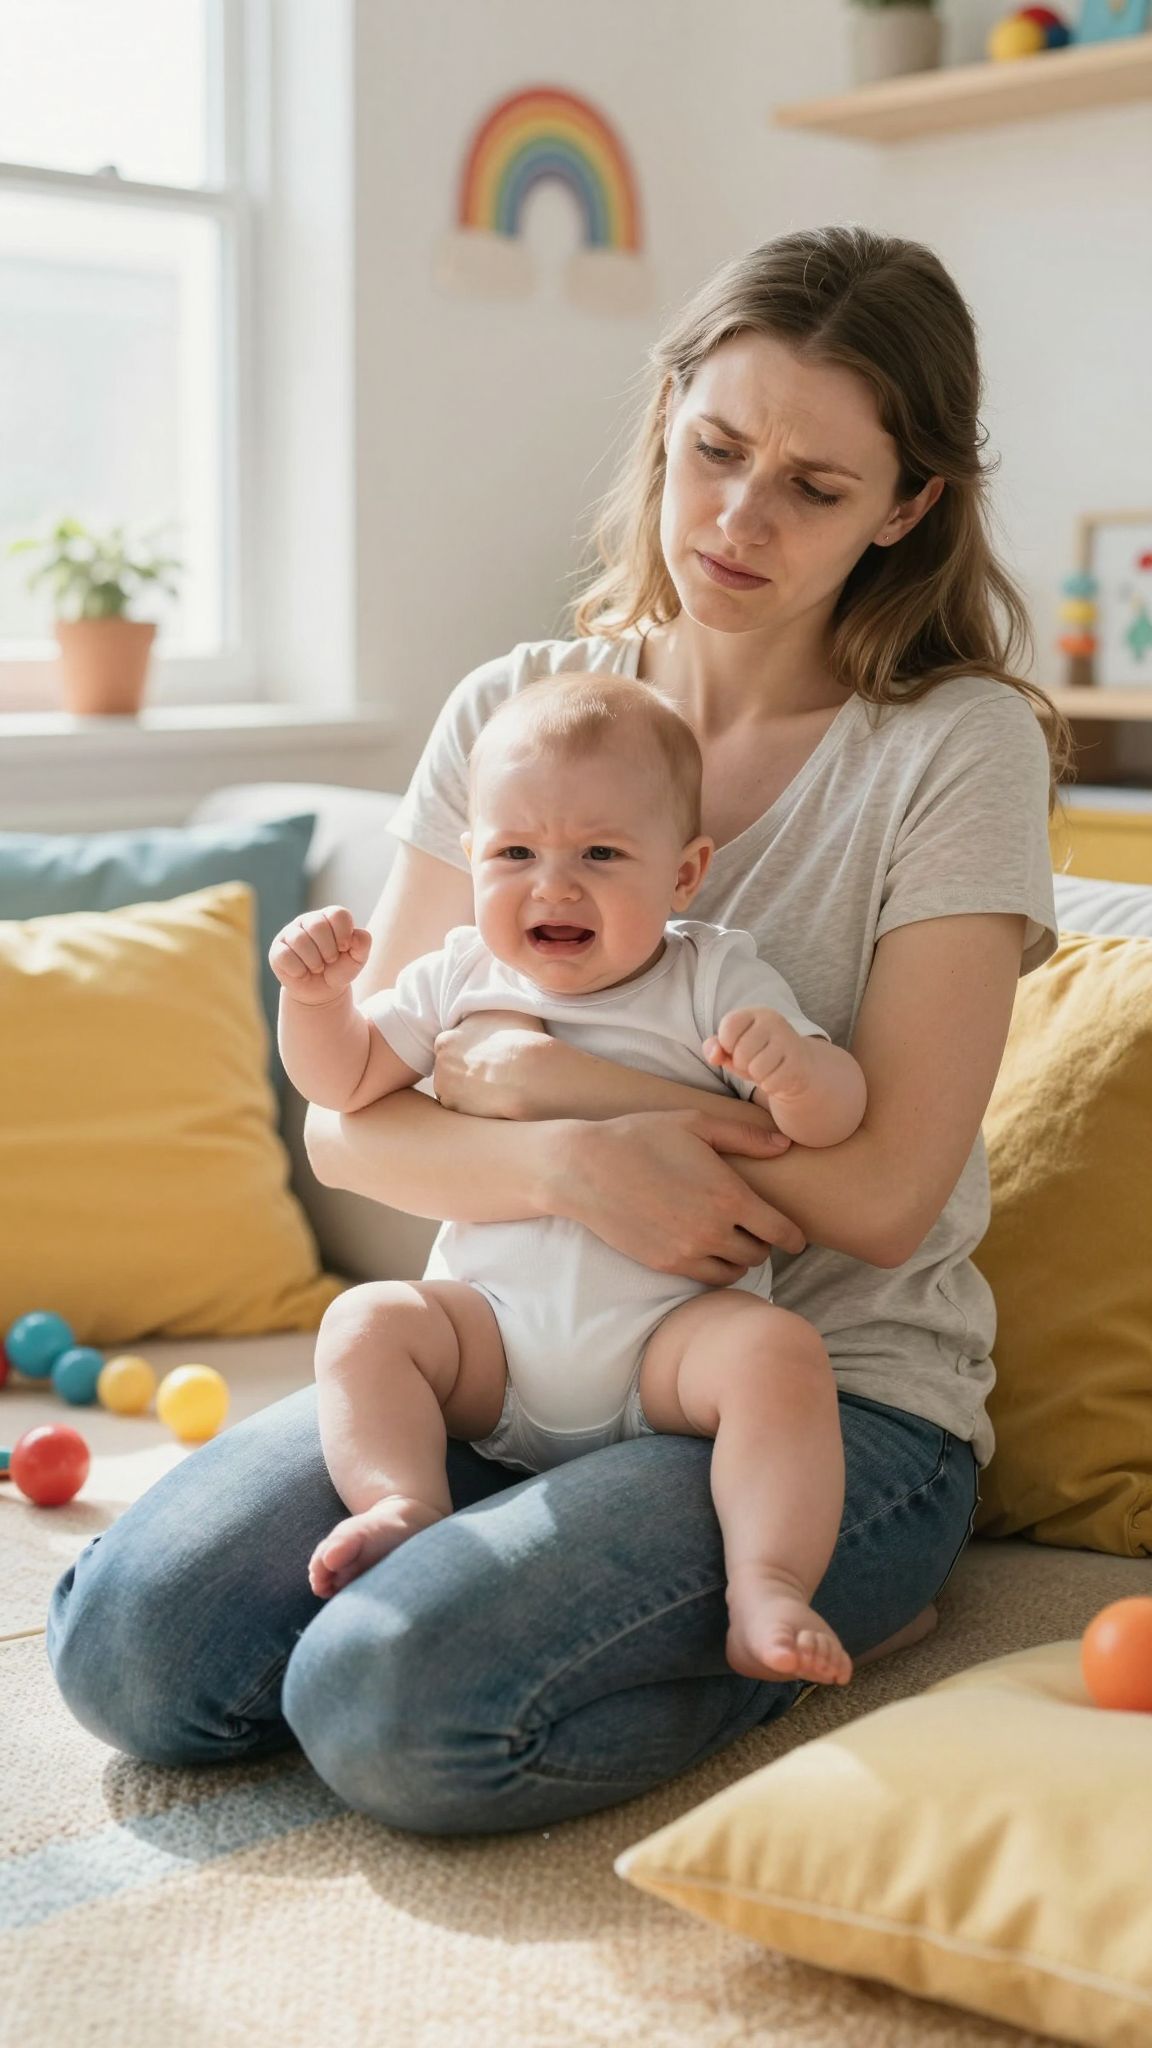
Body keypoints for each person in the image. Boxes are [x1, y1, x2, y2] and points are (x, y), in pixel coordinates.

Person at [45, 223, 1071, 1839]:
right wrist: (570, 1165)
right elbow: (354, 1122)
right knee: (132, 1652)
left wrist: (546, 1083)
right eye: (716, 450)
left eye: (813, 487)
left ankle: (841, 1599)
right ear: (665, 416)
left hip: (814, 1400)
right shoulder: (514, 711)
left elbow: (880, 1199)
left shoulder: (954, 748)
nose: (738, 517)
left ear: (906, 505)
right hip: (513, 1354)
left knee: (388, 1705)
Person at [271, 672, 870, 1690]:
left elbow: (831, 1120)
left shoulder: (713, 976)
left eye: (600, 854)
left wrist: (797, 1071)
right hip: (490, 1346)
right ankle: (403, 1500)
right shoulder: (459, 973)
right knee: (365, 1323)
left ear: (684, 874)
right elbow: (346, 1085)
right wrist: (319, 1003)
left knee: (777, 1354)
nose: (552, 886)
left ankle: (768, 1581)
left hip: (667, 1349)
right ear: (471, 858)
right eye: (515, 854)